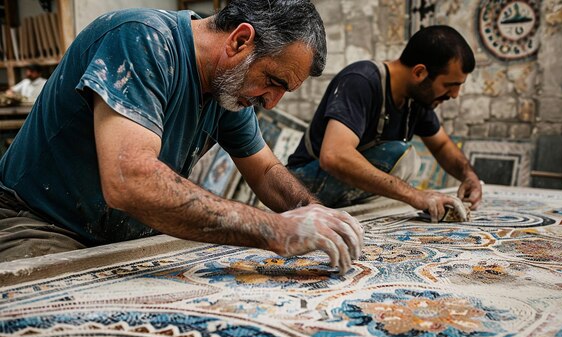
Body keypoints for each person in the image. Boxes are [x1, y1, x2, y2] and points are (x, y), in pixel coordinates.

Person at [0, 0, 363, 274]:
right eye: (273, 82)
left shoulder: (228, 89)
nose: (271, 102)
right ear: (240, 41)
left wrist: (310, 211)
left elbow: (266, 171)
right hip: (38, 221)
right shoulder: (140, 38)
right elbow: (129, 181)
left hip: (122, 234)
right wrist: (276, 229)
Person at [287, 25, 482, 222]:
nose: (454, 95)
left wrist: (469, 176)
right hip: (300, 186)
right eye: (450, 85)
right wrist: (416, 196)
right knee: (401, 154)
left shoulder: (417, 99)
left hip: (341, 191)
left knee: (404, 160)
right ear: (420, 72)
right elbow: (334, 156)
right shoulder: (361, 80)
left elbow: (441, 145)